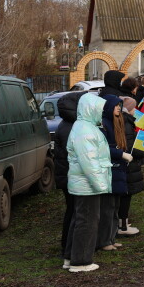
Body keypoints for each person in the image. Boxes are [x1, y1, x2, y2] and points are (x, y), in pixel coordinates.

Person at [64, 93, 112, 272]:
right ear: (91, 109)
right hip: (87, 186)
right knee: (87, 222)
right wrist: (101, 185)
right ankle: (81, 262)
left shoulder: (84, 126)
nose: (101, 113)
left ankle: (71, 257)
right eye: (99, 109)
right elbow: (89, 163)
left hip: (83, 185)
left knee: (79, 220)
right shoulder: (85, 130)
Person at [54, 91, 86, 256]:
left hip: (68, 175)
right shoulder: (70, 127)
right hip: (70, 176)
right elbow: (77, 154)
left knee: (73, 210)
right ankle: (69, 247)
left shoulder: (70, 124)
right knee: (74, 212)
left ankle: (69, 245)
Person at [97, 95, 132, 251]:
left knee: (115, 207)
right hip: (110, 170)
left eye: (120, 106)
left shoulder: (115, 123)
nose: (119, 108)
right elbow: (103, 148)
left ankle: (111, 238)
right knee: (108, 208)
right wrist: (120, 154)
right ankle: (104, 241)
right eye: (116, 106)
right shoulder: (103, 125)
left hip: (118, 169)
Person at [117, 97, 144, 236]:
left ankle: (121, 222)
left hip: (125, 164)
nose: (136, 110)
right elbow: (130, 146)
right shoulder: (126, 122)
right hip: (127, 165)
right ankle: (122, 226)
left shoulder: (124, 120)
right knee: (125, 195)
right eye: (134, 107)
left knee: (123, 195)